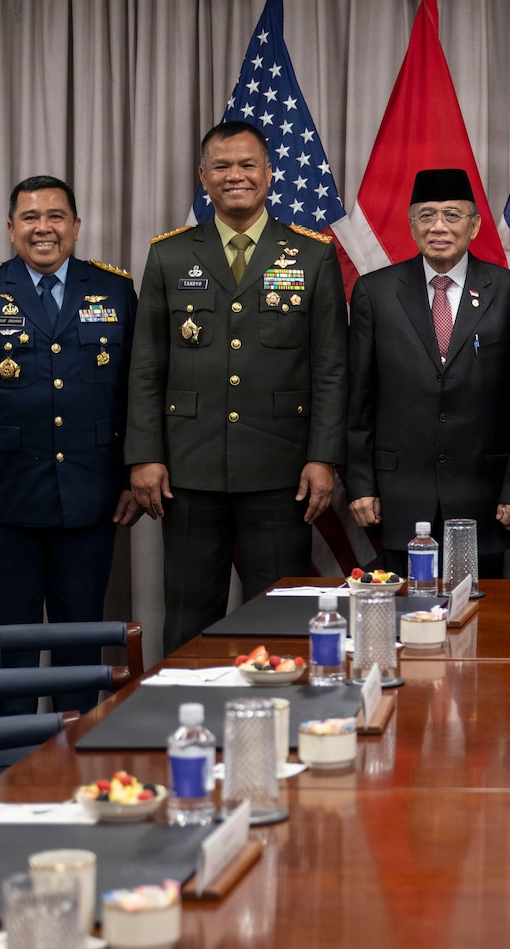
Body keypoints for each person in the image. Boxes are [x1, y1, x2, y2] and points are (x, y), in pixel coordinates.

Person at [126, 121, 346, 654]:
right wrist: (145, 455)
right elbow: (147, 366)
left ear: (269, 174)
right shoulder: (170, 255)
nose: (235, 176)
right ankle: (184, 725)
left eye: (248, 164)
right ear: (203, 178)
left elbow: (331, 367)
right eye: (222, 166)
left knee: (277, 614)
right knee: (187, 616)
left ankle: (278, 725)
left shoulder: (311, 255)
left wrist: (324, 457)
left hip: (280, 467)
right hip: (189, 468)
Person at [0, 175, 140, 713]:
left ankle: (76, 745)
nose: (44, 228)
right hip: (2, 505)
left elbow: (141, 391)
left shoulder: (113, 289)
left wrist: (135, 472)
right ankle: (8, 757)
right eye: (30, 217)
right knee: (7, 640)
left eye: (56, 216)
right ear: (11, 228)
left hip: (91, 499)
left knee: (80, 639)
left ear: (76, 225)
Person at [347, 169, 510, 582]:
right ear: (411, 224)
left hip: (484, 498)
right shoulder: (375, 293)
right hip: (398, 496)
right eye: (426, 215)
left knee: (480, 626)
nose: (438, 227)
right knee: (403, 619)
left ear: (474, 225)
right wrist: (360, 484)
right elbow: (357, 399)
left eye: (452, 215)